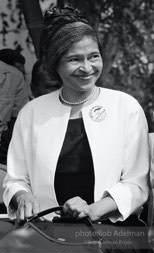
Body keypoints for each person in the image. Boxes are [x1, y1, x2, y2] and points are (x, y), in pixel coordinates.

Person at [3, 6, 149, 232]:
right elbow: (15, 179)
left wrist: (94, 209)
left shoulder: (125, 107)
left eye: (93, 56)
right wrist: (22, 196)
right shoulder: (32, 112)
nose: (87, 68)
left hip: (111, 230)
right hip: (44, 230)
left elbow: (136, 184)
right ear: (55, 64)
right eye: (74, 59)